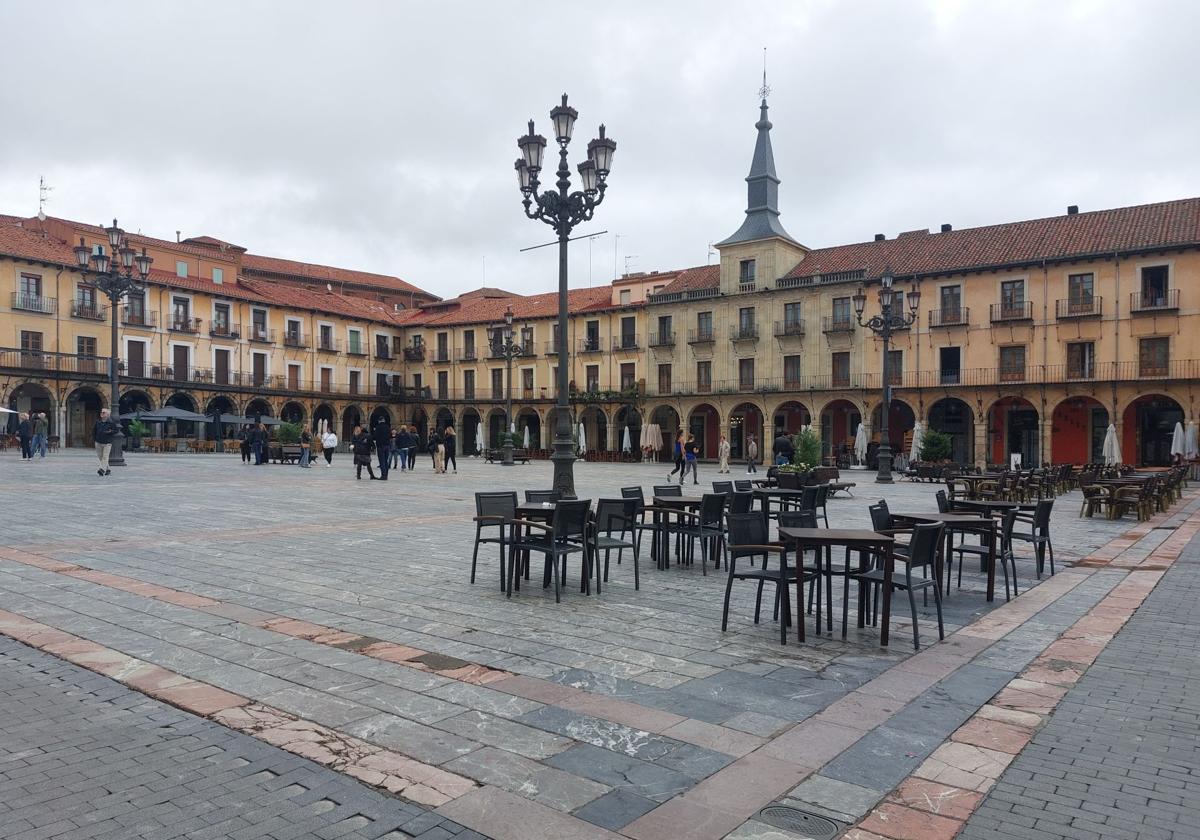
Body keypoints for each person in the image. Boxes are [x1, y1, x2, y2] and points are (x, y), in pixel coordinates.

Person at [93, 408, 119, 476]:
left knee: (105, 457)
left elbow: (116, 430)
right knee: (100, 457)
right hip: (98, 442)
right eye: (101, 412)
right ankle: (108, 469)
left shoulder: (111, 423)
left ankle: (102, 470)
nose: (102, 413)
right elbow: (94, 431)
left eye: (104, 412)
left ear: (108, 415)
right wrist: (95, 439)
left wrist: (111, 432)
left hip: (107, 443)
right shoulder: (98, 422)